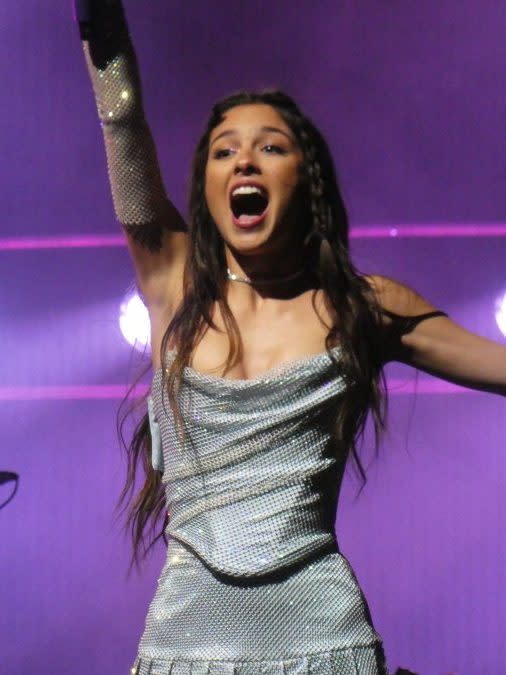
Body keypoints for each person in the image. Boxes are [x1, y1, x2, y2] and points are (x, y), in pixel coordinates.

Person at [75, 2, 506, 673]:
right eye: (224, 151)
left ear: (309, 181)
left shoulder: (362, 307)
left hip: (320, 638)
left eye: (271, 146)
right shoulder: (175, 281)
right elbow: (121, 123)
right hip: (186, 642)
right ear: (209, 189)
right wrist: (97, 15)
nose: (244, 159)